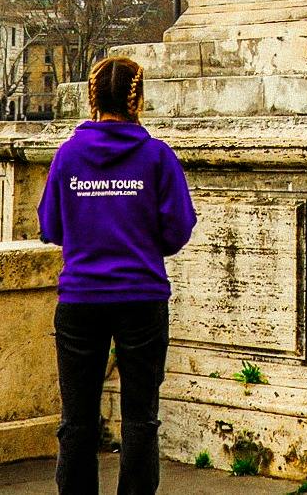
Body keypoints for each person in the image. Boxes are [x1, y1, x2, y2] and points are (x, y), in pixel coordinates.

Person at [39, 56, 197, 495]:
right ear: (138, 99)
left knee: (77, 422)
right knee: (141, 420)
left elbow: (51, 227)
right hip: (141, 297)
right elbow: (177, 228)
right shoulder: (156, 157)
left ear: (92, 99)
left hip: (81, 299)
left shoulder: (69, 155)